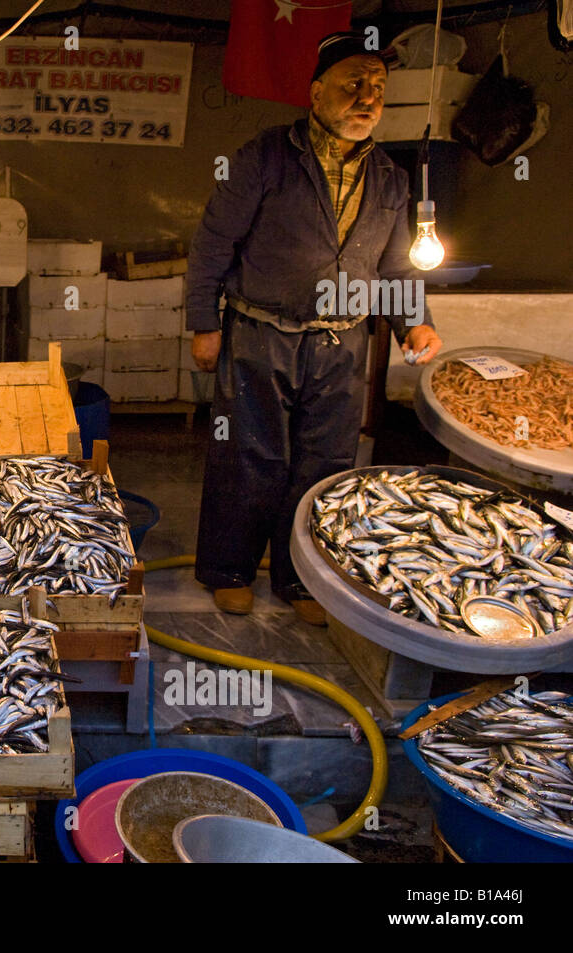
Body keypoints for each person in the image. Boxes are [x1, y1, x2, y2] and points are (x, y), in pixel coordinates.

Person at [185, 31, 444, 625]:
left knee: (326, 463)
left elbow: (396, 265)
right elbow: (213, 245)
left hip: (344, 341)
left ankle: (303, 580)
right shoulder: (266, 157)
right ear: (316, 91)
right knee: (249, 454)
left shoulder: (390, 178)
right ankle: (229, 569)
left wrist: (415, 322)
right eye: (354, 83)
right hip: (260, 332)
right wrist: (205, 322)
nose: (367, 98)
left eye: (377, 88)